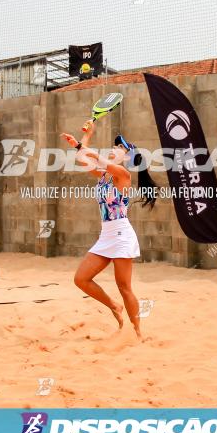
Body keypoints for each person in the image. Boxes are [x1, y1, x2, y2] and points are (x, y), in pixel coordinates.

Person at [60, 122, 156, 339]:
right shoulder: (103, 175)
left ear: (126, 157)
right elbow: (82, 159)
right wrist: (86, 137)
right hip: (106, 235)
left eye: (119, 148)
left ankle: (138, 333)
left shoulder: (122, 174)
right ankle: (114, 306)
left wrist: (85, 148)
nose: (114, 149)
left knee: (124, 287)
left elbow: (94, 157)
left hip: (122, 234)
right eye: (114, 146)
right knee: (81, 279)